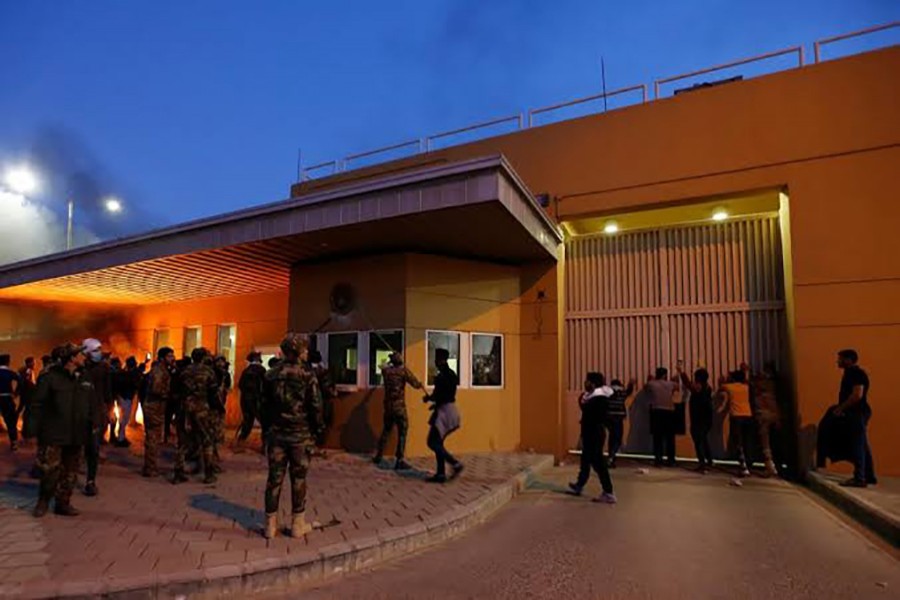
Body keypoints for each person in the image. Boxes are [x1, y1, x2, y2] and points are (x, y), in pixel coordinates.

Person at [261, 334, 322, 539]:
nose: (306, 352)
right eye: (304, 349)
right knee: (299, 479)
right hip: (300, 435)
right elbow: (316, 406)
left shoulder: (270, 374)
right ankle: (297, 523)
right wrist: (318, 430)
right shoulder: (308, 375)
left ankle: (270, 525)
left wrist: (268, 428)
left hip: (277, 435)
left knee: (274, 478)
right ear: (298, 351)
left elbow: (263, 406)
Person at [32, 343, 93, 517]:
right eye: (80, 354)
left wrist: (95, 423)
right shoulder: (50, 377)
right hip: (54, 433)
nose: (84, 357)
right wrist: (33, 430)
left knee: (70, 472)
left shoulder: (84, 377)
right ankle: (43, 501)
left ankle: (63, 503)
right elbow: (37, 404)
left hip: (76, 434)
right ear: (72, 358)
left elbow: (91, 403)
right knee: (49, 471)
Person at [569, 372, 617, 504]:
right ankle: (579, 485)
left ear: (593, 383)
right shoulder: (593, 397)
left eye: (588, 381)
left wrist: (583, 401)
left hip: (594, 433)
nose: (585, 383)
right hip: (590, 433)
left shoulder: (599, 398)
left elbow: (589, 412)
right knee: (585, 460)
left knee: (598, 462)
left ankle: (608, 492)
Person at [175, 347, 219, 484]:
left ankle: (178, 472)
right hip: (201, 409)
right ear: (204, 357)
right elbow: (213, 392)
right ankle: (209, 473)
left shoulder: (184, 371)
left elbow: (177, 389)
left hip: (185, 408)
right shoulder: (208, 372)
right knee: (207, 440)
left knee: (183, 441)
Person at [373, 352, 424, 470]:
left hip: (388, 406)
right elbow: (415, 384)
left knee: (386, 431)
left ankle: (379, 455)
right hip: (399, 407)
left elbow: (383, 366)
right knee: (402, 432)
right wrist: (420, 384)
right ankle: (399, 460)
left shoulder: (386, 372)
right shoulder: (403, 372)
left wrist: (390, 361)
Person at [833, 349, 876, 487]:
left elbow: (857, 395)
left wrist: (841, 408)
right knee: (862, 444)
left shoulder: (856, 373)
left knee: (857, 445)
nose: (838, 361)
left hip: (857, 413)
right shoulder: (850, 373)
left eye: (840, 359)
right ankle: (869, 475)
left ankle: (859, 478)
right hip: (856, 412)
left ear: (849, 360)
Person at [423, 348, 463, 483]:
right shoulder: (452, 374)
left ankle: (455, 464)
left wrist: (429, 398)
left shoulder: (441, 377)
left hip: (444, 413)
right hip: (450, 410)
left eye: (436, 359)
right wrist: (434, 403)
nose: (435, 362)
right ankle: (440, 474)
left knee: (432, 442)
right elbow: (447, 395)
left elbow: (439, 395)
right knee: (438, 443)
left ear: (440, 360)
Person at [80, 339, 110, 496]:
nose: (99, 353)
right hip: (79, 412)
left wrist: (106, 411)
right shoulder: (79, 369)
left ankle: (90, 481)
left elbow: (107, 392)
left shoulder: (104, 369)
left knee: (93, 448)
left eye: (100, 349)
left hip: (96, 412)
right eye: (95, 350)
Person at [143, 347, 176, 477]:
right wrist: (170, 395)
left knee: (155, 438)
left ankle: (151, 466)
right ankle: (150, 468)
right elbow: (156, 390)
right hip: (154, 407)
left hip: (157, 407)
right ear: (162, 358)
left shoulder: (164, 370)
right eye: (169, 356)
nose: (172, 358)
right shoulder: (158, 371)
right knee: (153, 438)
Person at [718, 370, 754, 477]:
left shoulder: (730, 387)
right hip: (748, 415)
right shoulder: (746, 387)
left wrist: (722, 380)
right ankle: (749, 463)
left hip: (736, 416)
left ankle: (743, 466)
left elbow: (720, 388)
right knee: (747, 441)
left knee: (738, 442)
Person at [680, 366, 715, 472]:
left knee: (698, 440)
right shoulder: (707, 387)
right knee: (703, 439)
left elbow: (689, 385)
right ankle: (709, 461)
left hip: (699, 418)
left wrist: (682, 373)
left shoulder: (699, 387)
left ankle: (702, 464)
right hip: (706, 418)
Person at [645, 367, 679, 467]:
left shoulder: (652, 384)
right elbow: (678, 387)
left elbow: (645, 388)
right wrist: (675, 379)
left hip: (657, 411)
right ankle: (671, 460)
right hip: (669, 411)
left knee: (657, 437)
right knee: (670, 438)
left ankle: (658, 460)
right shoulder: (671, 384)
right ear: (665, 375)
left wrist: (649, 379)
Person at [751, 362, 781, 478]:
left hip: (764, 416)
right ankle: (773, 466)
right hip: (770, 415)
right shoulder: (772, 385)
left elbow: (755, 384)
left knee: (765, 444)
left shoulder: (764, 386)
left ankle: (770, 467)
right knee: (771, 443)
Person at [236, 351, 267, 450]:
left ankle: (240, 441)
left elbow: (240, 385)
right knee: (265, 423)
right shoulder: (262, 370)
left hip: (245, 400)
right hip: (257, 400)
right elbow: (266, 386)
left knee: (247, 421)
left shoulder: (246, 371)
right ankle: (265, 445)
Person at [307, 350, 335, 450]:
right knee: (321, 426)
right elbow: (328, 389)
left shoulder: (304, 371)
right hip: (322, 403)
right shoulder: (323, 372)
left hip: (306, 405)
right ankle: (317, 447)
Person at [112, 356, 141, 447]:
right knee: (124, 419)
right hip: (125, 398)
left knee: (123, 419)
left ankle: (121, 437)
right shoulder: (128, 375)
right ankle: (120, 439)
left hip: (123, 397)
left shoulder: (123, 373)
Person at [606, 378, 635, 468]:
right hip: (618, 418)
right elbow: (628, 392)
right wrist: (631, 384)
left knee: (612, 438)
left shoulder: (607, 393)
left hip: (609, 417)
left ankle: (610, 456)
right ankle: (611, 457)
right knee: (618, 438)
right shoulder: (621, 392)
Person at [0, 354, 20, 451]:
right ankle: (14, 442)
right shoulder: (10, 372)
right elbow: (21, 381)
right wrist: (15, 393)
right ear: (8, 362)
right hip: (7, 398)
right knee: (10, 421)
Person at [17, 357, 37, 443]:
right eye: (33, 362)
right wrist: (35, 387)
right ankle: (27, 431)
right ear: (29, 363)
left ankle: (24, 430)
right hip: (29, 394)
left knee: (22, 410)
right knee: (28, 412)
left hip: (24, 394)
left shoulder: (22, 371)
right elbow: (28, 381)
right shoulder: (28, 371)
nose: (35, 364)